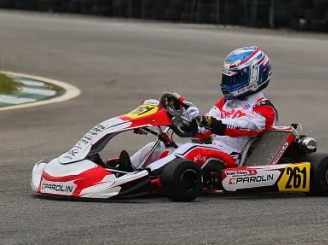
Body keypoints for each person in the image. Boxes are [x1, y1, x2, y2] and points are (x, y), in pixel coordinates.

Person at [111, 47, 277, 172]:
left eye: (235, 78)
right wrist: (192, 119)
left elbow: (243, 126)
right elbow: (203, 132)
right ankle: (123, 170)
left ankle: (142, 177)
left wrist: (214, 123)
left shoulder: (264, 108)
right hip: (212, 149)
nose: (229, 83)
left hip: (231, 159)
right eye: (228, 78)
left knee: (190, 149)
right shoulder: (226, 102)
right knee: (154, 147)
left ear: (255, 77)